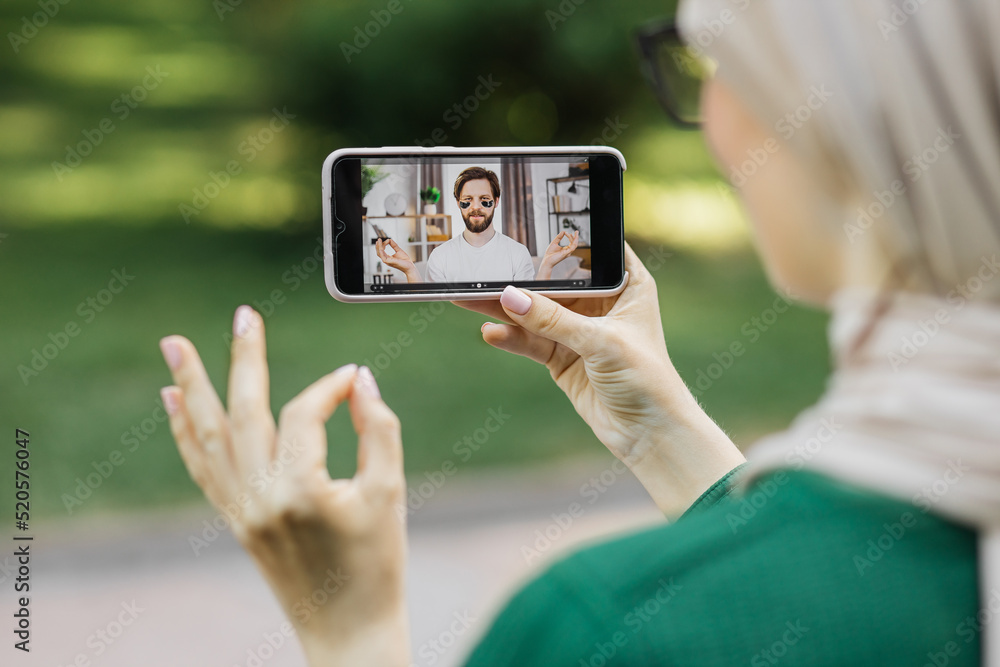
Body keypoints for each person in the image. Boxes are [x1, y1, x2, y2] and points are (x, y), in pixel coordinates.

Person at [157, 0, 1000, 665]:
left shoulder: (605, 628)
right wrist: (666, 436)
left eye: (718, 62)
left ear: (842, 120)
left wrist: (349, 633)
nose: (709, 117)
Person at [374, 166, 580, 283]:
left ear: (496, 201)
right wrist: (410, 270)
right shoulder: (440, 256)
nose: (476, 207)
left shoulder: (517, 253)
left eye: (485, 200)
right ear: (458, 203)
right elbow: (429, 307)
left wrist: (547, 266)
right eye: (467, 200)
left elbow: (530, 309)